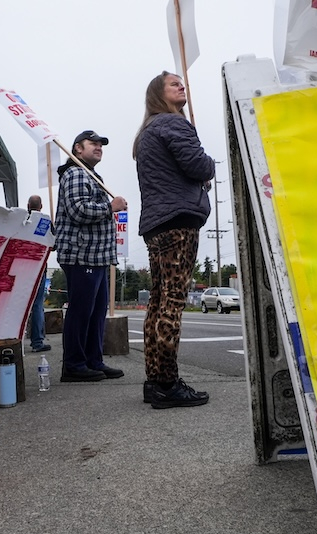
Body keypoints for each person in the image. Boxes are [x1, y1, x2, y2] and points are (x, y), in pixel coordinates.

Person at [133, 72, 216, 409]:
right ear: (159, 94)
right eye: (174, 84)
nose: (182, 87)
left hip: (156, 224)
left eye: (183, 83)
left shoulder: (147, 133)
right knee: (174, 300)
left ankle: (155, 379)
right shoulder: (174, 125)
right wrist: (208, 162)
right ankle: (167, 382)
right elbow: (199, 166)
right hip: (178, 223)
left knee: (158, 301)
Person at [54, 130, 128, 382]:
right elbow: (78, 210)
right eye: (92, 143)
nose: (98, 147)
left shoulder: (91, 175)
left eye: (100, 144)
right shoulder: (75, 173)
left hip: (96, 256)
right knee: (81, 311)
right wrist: (111, 207)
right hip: (81, 255)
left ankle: (93, 360)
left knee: (96, 312)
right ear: (77, 148)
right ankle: (74, 364)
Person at [26, 194, 51, 352]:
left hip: (22, 266)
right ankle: (37, 342)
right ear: (41, 206)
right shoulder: (46, 221)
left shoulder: (22, 220)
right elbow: (53, 244)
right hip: (39, 265)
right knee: (37, 304)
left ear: (28, 205)